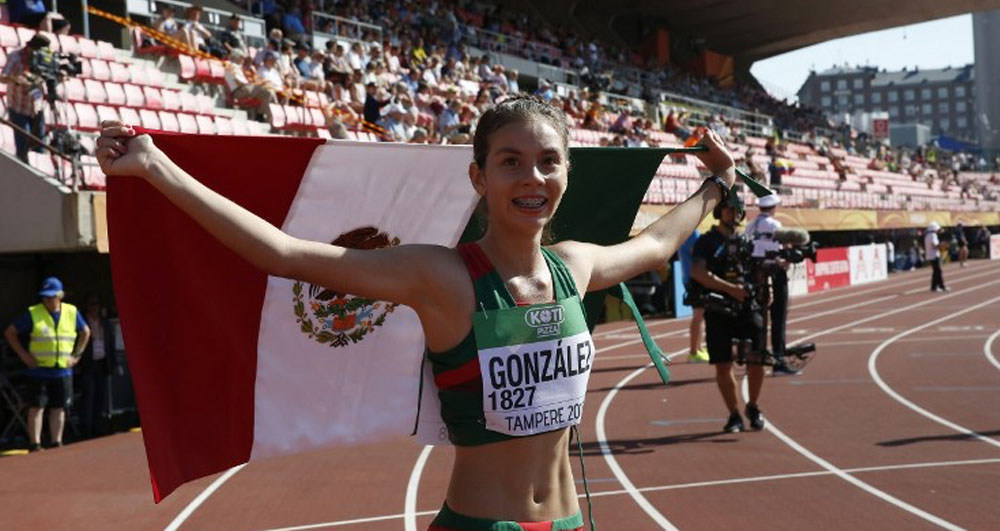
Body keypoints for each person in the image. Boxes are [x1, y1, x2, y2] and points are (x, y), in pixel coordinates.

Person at [94, 98, 737, 529]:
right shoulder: (442, 277)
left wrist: (716, 186)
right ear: (479, 178)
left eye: (548, 161)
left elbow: (655, 244)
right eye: (510, 162)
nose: (531, 177)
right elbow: (285, 254)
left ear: (567, 172)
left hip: (569, 522)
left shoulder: (577, 265)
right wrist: (155, 169)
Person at [690, 199, 766, 433]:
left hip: (747, 307)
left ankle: (753, 406)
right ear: (719, 212)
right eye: (729, 208)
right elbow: (698, 272)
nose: (734, 213)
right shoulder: (706, 241)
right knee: (723, 364)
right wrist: (730, 289)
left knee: (758, 359)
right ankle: (733, 414)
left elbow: (760, 270)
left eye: (738, 210)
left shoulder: (747, 241)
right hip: (718, 310)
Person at [3, 277, 91, 451]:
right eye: (45, 297)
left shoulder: (71, 312)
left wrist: (77, 355)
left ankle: (56, 442)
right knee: (36, 407)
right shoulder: (34, 312)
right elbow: (10, 332)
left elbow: (85, 332)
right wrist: (24, 355)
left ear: (60, 295)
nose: (48, 300)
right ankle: (35, 444)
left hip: (62, 370)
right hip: (39, 370)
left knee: (58, 407)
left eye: (51, 296)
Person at [745, 194, 797, 375]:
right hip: (775, 273)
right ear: (773, 207)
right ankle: (778, 359)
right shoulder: (776, 225)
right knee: (778, 317)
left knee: (757, 318)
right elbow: (786, 248)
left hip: (755, 274)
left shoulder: (751, 225)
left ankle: (757, 357)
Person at [0, 34, 49, 164]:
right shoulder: (16, 57)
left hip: (37, 108)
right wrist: (16, 78)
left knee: (41, 147)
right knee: (23, 147)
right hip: (18, 107)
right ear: (31, 48)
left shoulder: (44, 59)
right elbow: (3, 77)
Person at [78, 294, 117, 439]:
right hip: (88, 364)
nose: (94, 307)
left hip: (102, 362)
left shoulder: (105, 322)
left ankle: (97, 426)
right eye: (91, 304)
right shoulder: (82, 321)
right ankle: (85, 428)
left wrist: (112, 364)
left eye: (97, 304)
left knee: (100, 397)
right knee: (88, 396)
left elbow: (110, 344)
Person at [680, 231, 709, 363]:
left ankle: (699, 348)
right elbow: (698, 254)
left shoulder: (687, 232)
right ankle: (693, 352)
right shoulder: (691, 234)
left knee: (700, 315)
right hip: (695, 279)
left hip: (692, 277)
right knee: (698, 315)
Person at [924, 222, 947, 292]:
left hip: (931, 255)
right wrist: (942, 245)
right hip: (934, 256)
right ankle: (940, 286)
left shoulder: (928, 235)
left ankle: (936, 286)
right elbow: (934, 246)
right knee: (937, 271)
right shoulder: (932, 235)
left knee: (936, 271)